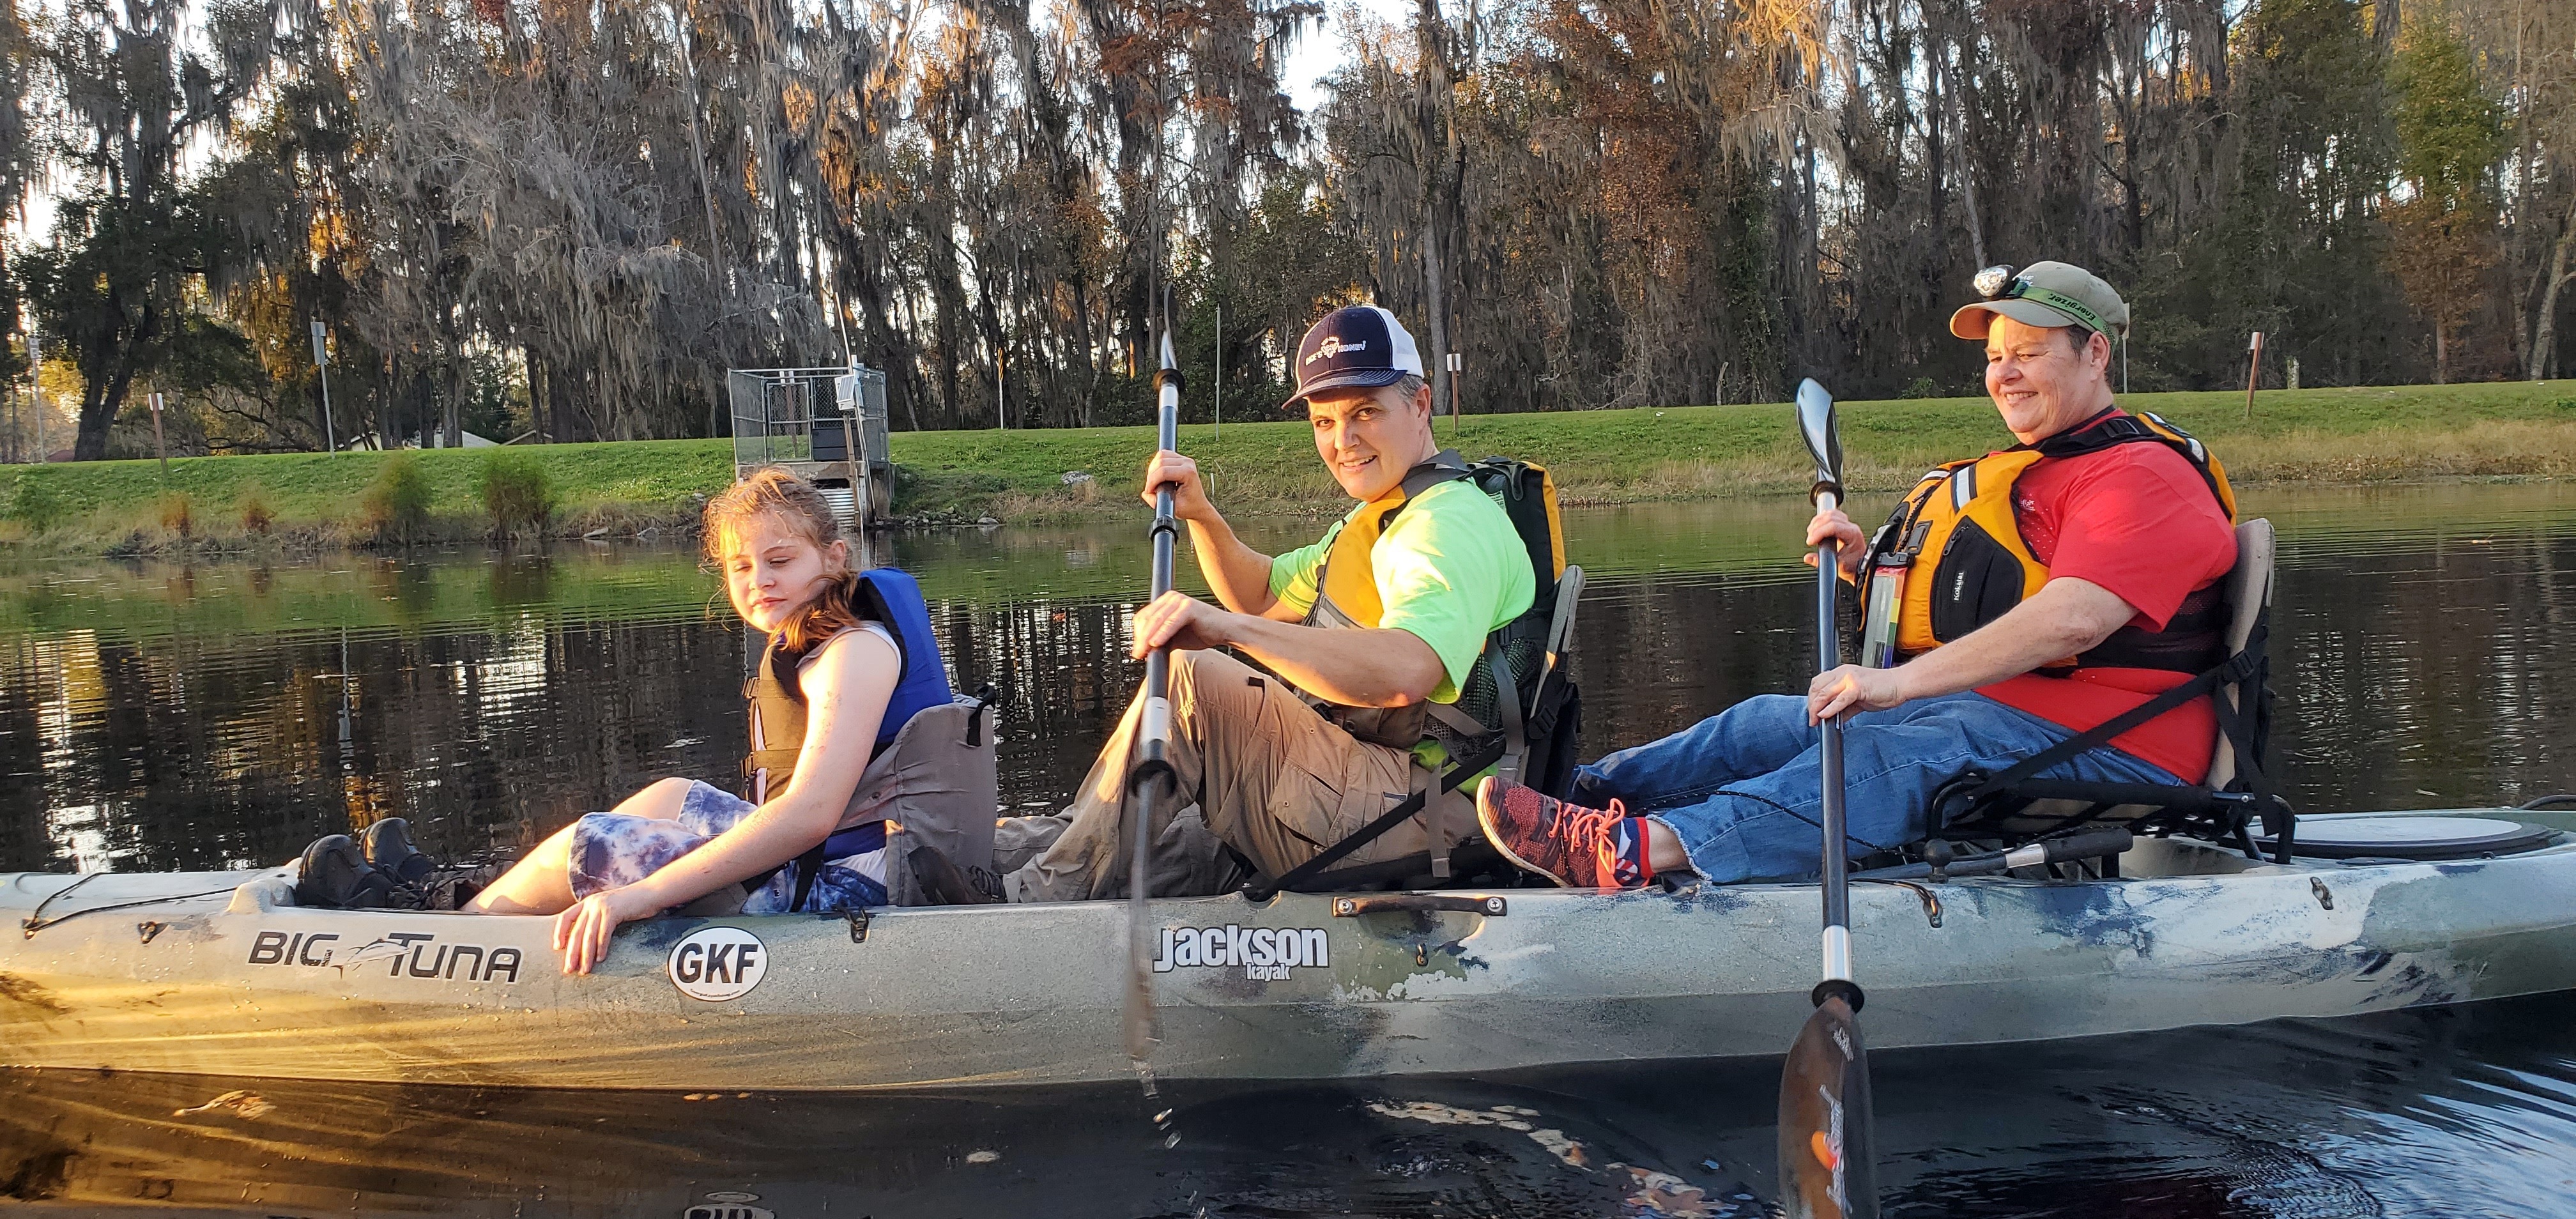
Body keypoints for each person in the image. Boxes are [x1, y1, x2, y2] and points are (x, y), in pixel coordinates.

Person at [1473, 260, 2241, 888]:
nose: (2005, 374)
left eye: (2029, 353)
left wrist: (1896, 685)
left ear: (2096, 353)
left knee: (1892, 753)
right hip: (2003, 713)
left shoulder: (2143, 475)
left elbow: (2076, 618)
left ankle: (1645, 850)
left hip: (2117, 741)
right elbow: (1989, 604)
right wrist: (1861, 571)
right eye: (1995, 357)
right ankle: (1566, 802)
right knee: (1773, 721)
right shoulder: (2042, 469)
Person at [295, 468, 997, 973]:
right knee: (667, 796)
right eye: (741, 566)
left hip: (862, 887)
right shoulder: (825, 638)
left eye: (782, 560)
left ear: (834, 559)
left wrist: (640, 897)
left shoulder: (855, 652)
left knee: (597, 844)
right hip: (843, 860)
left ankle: (448, 933)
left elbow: (811, 815)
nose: (761, 582)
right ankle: (467, 893)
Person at [1000, 305, 1543, 901]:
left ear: (1419, 405)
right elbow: (1261, 596)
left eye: (1365, 413)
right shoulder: (1383, 516)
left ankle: (1020, 913)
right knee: (1149, 830)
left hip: (1433, 814)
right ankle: (969, 868)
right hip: (1373, 787)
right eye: (1324, 422)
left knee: (1195, 683)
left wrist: (1222, 630)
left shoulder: (1444, 524)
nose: (1344, 441)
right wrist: (1202, 515)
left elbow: (1407, 669)